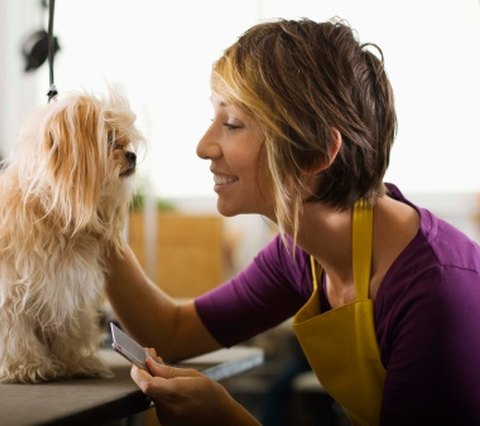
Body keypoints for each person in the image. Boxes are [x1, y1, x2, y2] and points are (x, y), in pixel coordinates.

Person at [106, 17, 480, 425]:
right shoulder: (303, 253)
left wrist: (227, 418)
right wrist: (97, 223)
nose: (203, 146)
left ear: (316, 153)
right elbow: (173, 332)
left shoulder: (436, 293)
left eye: (232, 123)